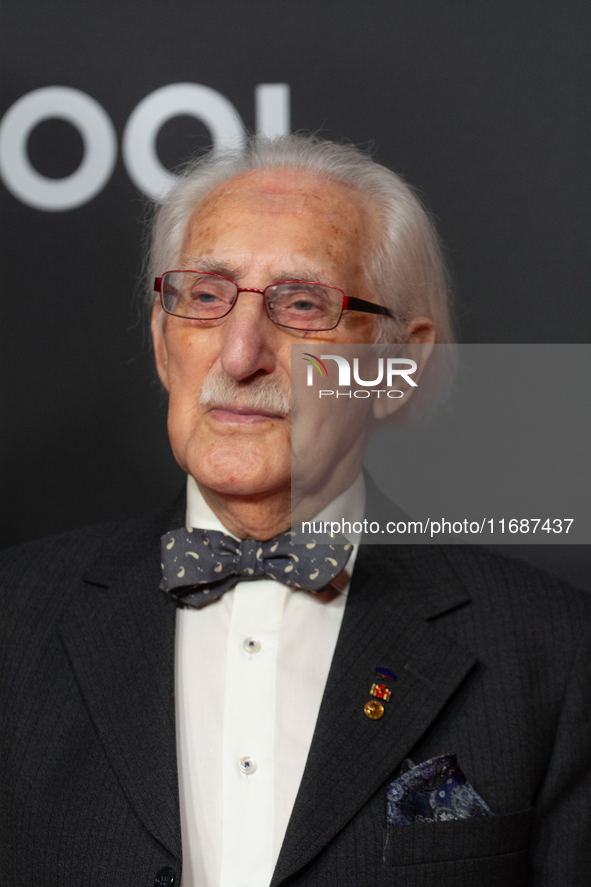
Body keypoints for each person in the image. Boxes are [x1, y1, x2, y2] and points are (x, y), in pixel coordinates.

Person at [1, 135, 590, 887]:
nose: (240, 353)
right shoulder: (11, 621)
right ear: (160, 340)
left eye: (303, 304)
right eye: (206, 296)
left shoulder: (553, 655)